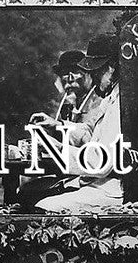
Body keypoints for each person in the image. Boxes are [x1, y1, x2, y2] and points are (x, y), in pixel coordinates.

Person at [35, 33, 124, 212]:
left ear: (112, 67)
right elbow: (91, 130)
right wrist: (57, 126)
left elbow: (100, 163)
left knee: (42, 207)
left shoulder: (118, 103)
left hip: (110, 187)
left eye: (96, 70)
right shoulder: (112, 97)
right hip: (98, 182)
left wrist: (56, 149)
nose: (92, 75)